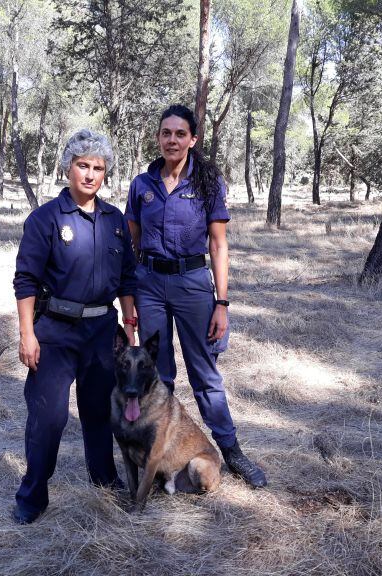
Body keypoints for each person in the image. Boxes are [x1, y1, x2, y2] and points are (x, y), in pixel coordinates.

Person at [125, 104, 267, 488]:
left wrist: (222, 302)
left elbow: (219, 246)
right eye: (166, 133)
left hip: (192, 285)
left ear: (193, 139)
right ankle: (158, 455)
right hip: (150, 284)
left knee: (206, 375)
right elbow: (132, 242)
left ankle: (231, 450)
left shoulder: (207, 183)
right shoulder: (142, 185)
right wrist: (133, 295)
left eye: (179, 133)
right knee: (159, 374)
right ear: (158, 137)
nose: (172, 139)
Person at [12, 129, 138, 524]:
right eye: (83, 165)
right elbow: (25, 281)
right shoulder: (46, 219)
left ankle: (104, 480)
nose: (90, 174)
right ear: (69, 167)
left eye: (98, 168)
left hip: (102, 333)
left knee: (100, 413)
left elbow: (128, 281)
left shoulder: (115, 221)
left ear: (105, 174)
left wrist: (130, 327)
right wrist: (27, 334)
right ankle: (32, 496)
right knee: (49, 418)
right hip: (55, 333)